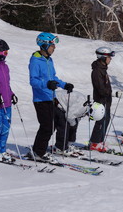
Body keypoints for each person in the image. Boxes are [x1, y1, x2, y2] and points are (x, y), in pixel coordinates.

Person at [28, 32, 74, 162]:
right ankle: (38, 152)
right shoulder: (35, 61)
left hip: (50, 98)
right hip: (40, 99)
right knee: (46, 126)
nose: (54, 48)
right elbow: (33, 81)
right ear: (44, 45)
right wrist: (47, 84)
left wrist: (64, 85)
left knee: (52, 125)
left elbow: (53, 78)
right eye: (52, 46)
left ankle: (37, 149)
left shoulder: (49, 60)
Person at [54, 89, 104, 154]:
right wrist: (73, 124)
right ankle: (60, 148)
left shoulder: (88, 105)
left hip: (64, 107)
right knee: (64, 125)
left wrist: (74, 123)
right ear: (92, 112)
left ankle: (69, 144)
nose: (88, 116)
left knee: (73, 124)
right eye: (90, 117)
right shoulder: (83, 106)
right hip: (54, 101)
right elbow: (69, 116)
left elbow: (76, 116)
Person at [89, 46, 114, 152]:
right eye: (109, 57)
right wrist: (107, 93)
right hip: (100, 100)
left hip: (106, 100)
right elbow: (100, 87)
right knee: (101, 121)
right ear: (103, 57)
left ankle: (99, 141)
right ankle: (94, 143)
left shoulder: (103, 69)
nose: (110, 59)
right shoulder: (97, 70)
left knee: (106, 120)